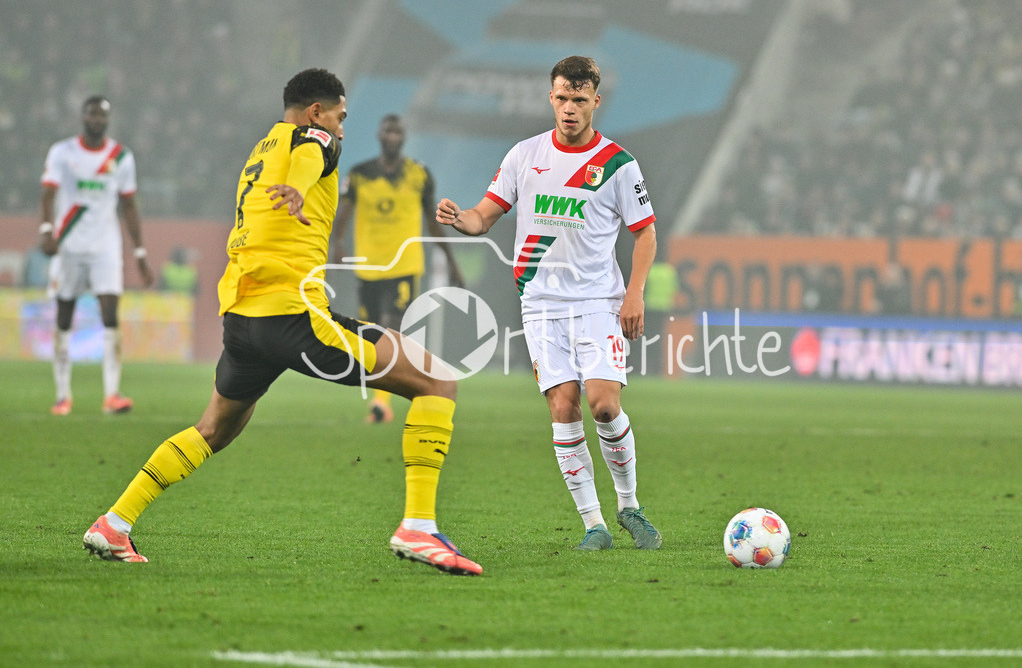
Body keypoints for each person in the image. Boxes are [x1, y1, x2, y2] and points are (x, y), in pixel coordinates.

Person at [82, 68, 482, 576]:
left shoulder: (262, 147)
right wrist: (297, 189)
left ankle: (116, 521)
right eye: (340, 117)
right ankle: (419, 528)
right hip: (294, 314)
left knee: (212, 430)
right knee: (438, 381)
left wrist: (292, 187)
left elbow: (298, 163)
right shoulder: (315, 139)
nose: (342, 128)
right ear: (318, 111)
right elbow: (314, 152)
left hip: (244, 319)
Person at [436, 56, 662, 551]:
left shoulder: (618, 165)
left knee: (603, 406)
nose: (569, 108)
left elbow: (645, 235)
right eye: (561, 97)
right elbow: (485, 216)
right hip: (540, 305)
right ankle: (593, 526)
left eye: (579, 100)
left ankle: (629, 507)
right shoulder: (524, 155)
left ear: (596, 102)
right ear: (551, 97)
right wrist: (461, 218)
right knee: (563, 408)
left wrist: (634, 293)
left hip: (598, 301)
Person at [333, 114, 463, 424]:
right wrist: (335, 244)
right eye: (388, 130)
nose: (392, 135)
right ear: (379, 134)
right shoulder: (359, 174)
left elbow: (432, 222)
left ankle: (381, 403)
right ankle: (386, 395)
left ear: (404, 136)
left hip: (404, 266)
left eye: (398, 131)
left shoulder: (419, 174)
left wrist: (451, 262)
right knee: (372, 332)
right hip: (368, 267)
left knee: (392, 329)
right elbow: (343, 213)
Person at [39, 95, 154, 415]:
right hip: (69, 245)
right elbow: (47, 194)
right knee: (64, 318)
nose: (97, 120)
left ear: (108, 119)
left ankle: (112, 395)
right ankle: (62, 396)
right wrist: (47, 229)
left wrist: (140, 252)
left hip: (105, 246)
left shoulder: (121, 157)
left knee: (110, 317)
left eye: (102, 115)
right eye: (92, 114)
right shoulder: (63, 153)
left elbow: (129, 205)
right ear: (83, 117)